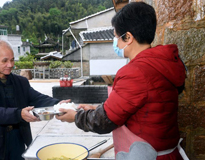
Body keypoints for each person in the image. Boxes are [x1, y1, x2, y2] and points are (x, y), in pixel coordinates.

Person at [56, 2, 187, 160]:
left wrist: (76, 117)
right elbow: (134, 106)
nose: (115, 42)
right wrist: (96, 108)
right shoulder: (162, 63)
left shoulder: (136, 72)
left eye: (116, 36)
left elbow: (104, 122)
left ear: (128, 37)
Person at [0, 39, 69, 160]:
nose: (10, 64)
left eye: (12, 60)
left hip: (18, 139)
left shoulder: (20, 82)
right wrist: (19, 114)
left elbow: (36, 98)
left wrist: (58, 104)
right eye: (5, 61)